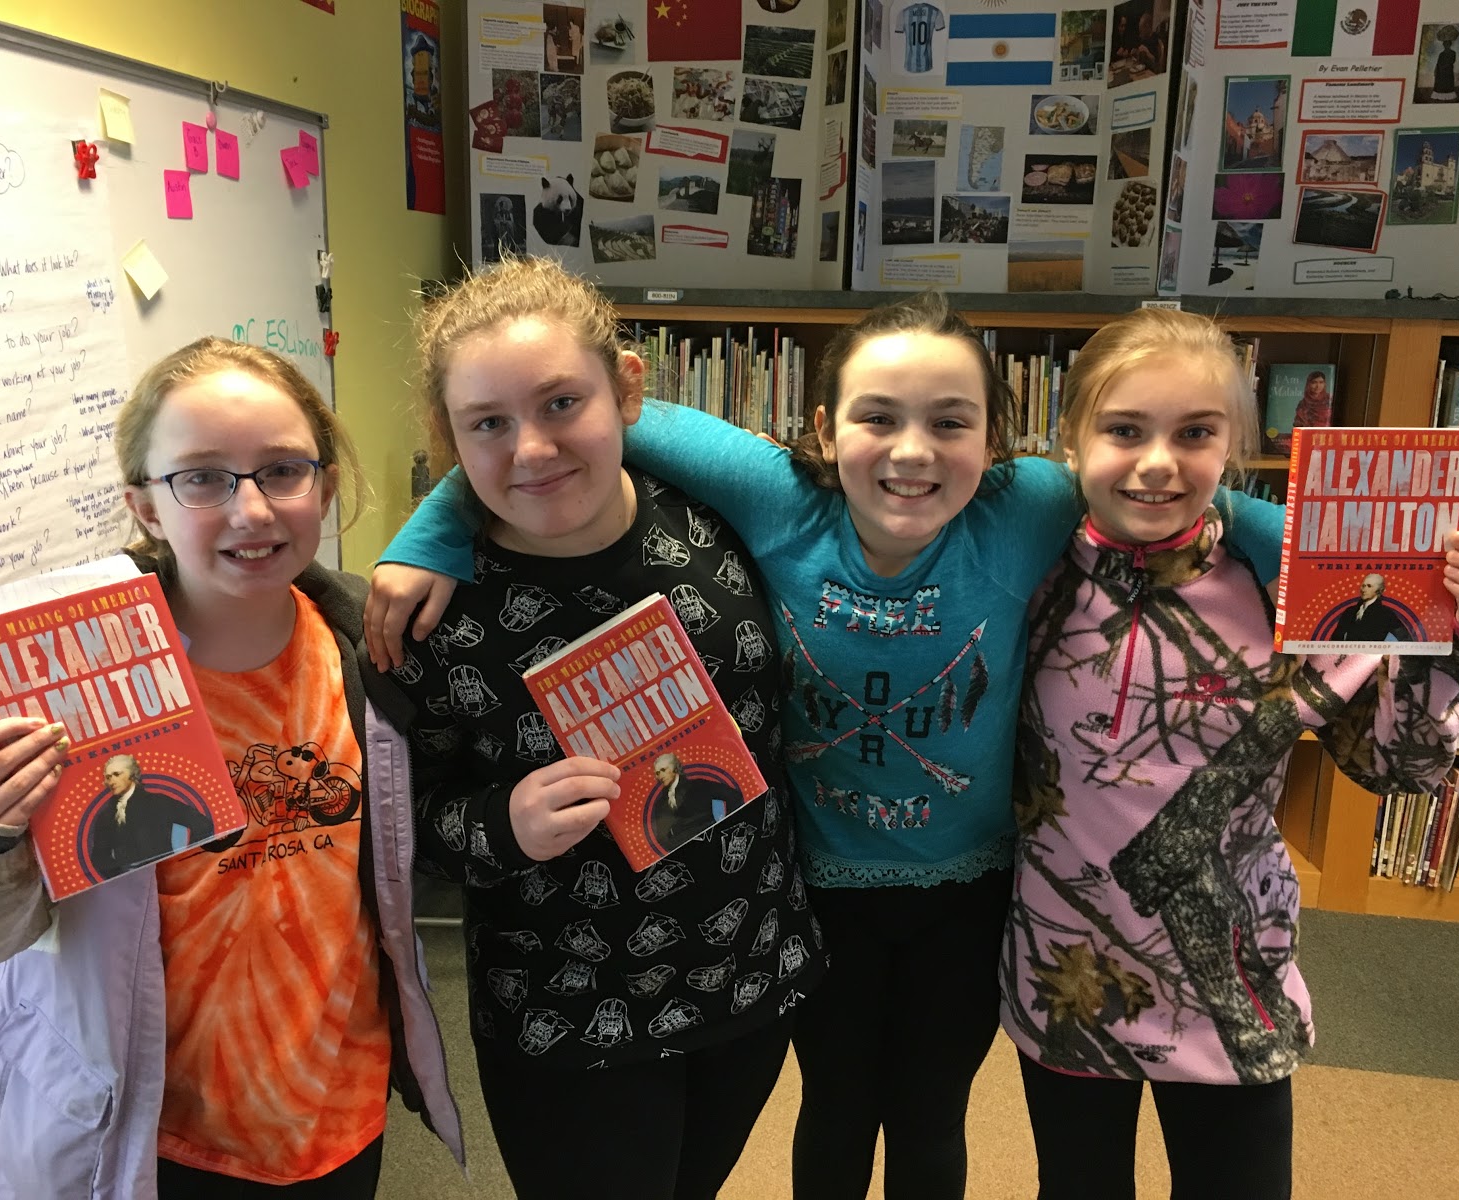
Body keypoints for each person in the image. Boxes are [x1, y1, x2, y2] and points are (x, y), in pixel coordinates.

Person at [365, 289, 1290, 1200]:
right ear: (822, 429)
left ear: (995, 444)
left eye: (951, 422)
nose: (913, 451)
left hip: (967, 896)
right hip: (815, 893)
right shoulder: (778, 496)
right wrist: (434, 528)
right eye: (877, 417)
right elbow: (582, 418)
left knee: (932, 1120)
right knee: (836, 1114)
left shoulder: (1026, 507)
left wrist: (1308, 549)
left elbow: (1170, 490)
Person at [0, 338, 463, 1198]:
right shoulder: (65, 672)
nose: (252, 510)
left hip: (337, 1110)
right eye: (202, 478)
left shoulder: (370, 651)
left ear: (323, 486)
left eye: (282, 470)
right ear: (144, 504)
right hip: (145, 1138)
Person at [1001, 308, 1459, 1199]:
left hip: (1233, 977)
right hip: (1068, 967)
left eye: (1196, 433)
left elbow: (1398, 768)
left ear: (1235, 446)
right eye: (1125, 430)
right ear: (1072, 439)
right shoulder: (1023, 576)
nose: (1159, 462)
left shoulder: (1286, 590)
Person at [364, 255, 822, 1200]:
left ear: (628, 390)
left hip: (748, 972)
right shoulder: (427, 613)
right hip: (569, 1012)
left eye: (562, 403)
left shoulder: (723, 518)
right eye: (488, 423)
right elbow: (401, 826)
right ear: (450, 436)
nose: (532, 449)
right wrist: (502, 824)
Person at [87, 752, 215, 880]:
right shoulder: (105, 816)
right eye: (108, 777)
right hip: (128, 882)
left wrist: (184, 860)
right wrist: (121, 875)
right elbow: (99, 858)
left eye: (117, 774)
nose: (111, 781)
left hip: (168, 876)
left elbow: (202, 825)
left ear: (132, 774)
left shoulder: (159, 802)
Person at [650, 751, 742, 848]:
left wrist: (727, 823)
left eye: (663, 770)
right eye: (657, 773)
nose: (660, 776)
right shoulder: (660, 804)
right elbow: (662, 838)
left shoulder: (698, 785)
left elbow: (734, 796)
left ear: (674, 768)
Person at [1333, 571, 1413, 642]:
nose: (1364, 589)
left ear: (1379, 590)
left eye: (1369, 586)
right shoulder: (1349, 611)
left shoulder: (1386, 614)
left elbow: (1406, 640)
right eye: (1363, 586)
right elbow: (1335, 639)